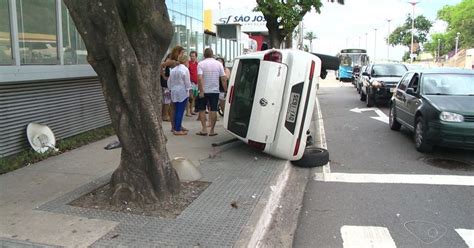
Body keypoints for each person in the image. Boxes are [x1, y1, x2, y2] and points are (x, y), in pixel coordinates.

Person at [196, 48, 227, 136]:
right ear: (212, 55)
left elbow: (199, 78)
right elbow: (223, 79)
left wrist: (201, 90)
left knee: (202, 110)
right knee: (213, 110)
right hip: (215, 91)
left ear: (204, 55)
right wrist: (225, 90)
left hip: (204, 90)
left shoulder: (201, 64)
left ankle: (204, 129)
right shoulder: (219, 64)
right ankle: (212, 130)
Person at [168, 54, 192, 135]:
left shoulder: (173, 70)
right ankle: (177, 129)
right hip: (182, 91)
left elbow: (169, 81)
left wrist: (171, 89)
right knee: (180, 110)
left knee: (175, 109)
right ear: (185, 61)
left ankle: (175, 127)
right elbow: (187, 83)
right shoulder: (185, 69)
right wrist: (189, 91)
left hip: (174, 91)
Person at [160, 54, 172, 121]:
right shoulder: (165, 64)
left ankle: (166, 114)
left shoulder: (168, 65)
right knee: (167, 100)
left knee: (167, 100)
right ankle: (165, 115)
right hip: (165, 84)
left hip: (167, 84)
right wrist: (164, 76)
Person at [187, 50, 199, 117]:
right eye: (191, 56)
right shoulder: (188, 63)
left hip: (196, 82)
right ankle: (188, 111)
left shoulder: (197, 64)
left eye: (193, 56)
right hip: (190, 82)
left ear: (196, 56)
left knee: (194, 97)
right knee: (190, 97)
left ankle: (191, 110)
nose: (192, 57)